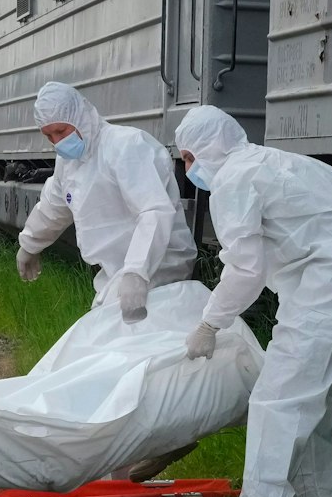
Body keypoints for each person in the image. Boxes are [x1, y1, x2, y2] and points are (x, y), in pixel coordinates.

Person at [173, 106, 332, 497]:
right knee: (316, 396)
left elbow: (246, 269)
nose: (190, 170)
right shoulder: (275, 162)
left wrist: (209, 322)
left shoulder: (234, 178)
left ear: (204, 149)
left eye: (188, 158)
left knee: (278, 398)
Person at [15, 82, 196, 324]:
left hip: (160, 266)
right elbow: (53, 207)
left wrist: (137, 271)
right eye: (48, 136)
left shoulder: (125, 146)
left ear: (79, 117)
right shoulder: (68, 164)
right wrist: (29, 245)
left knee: (126, 339)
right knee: (112, 341)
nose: (57, 142)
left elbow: (153, 211)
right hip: (117, 275)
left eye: (61, 131)